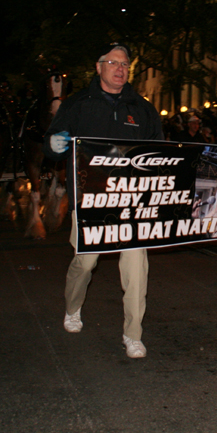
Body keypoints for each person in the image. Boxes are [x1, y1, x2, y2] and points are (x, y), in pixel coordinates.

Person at [44, 43, 163, 358]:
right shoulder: (78, 104)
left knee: (137, 268)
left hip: (132, 201)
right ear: (99, 67)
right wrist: (55, 145)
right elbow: (52, 143)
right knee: (85, 263)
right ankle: (73, 307)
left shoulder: (142, 108)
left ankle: (133, 333)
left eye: (125, 64)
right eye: (113, 62)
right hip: (90, 200)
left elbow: (160, 151)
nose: (120, 69)